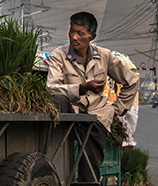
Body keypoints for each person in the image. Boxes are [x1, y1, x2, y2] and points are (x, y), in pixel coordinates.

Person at [47, 12, 138, 183]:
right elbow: (52, 87)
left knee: (90, 163)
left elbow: (131, 81)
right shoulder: (58, 55)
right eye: (71, 31)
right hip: (70, 113)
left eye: (80, 33)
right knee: (57, 99)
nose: (74, 37)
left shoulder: (104, 56)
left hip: (97, 115)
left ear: (92, 36)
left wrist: (115, 109)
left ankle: (88, 181)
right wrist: (81, 88)